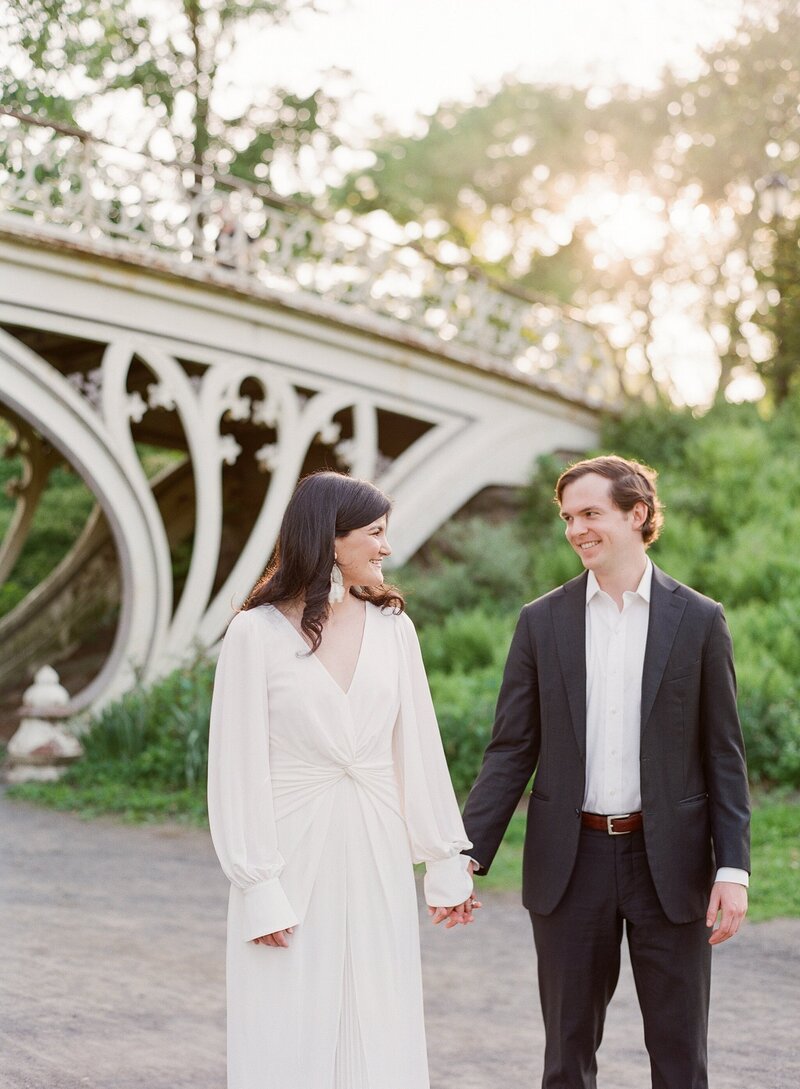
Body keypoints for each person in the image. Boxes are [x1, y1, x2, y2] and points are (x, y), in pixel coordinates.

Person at [461, 454, 750, 1089]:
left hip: (671, 866)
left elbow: (724, 754)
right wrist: (466, 854)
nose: (576, 530)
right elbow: (511, 748)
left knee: (680, 1058)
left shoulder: (700, 620)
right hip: (571, 863)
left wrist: (732, 867)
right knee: (566, 1058)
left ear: (637, 514)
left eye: (590, 513)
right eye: (568, 517)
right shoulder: (541, 622)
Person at [207, 470, 477, 1089]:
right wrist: (258, 886)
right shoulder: (254, 634)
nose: (386, 547)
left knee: (380, 1009)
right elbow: (236, 768)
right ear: (331, 538)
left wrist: (443, 861)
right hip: (290, 851)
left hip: (376, 845)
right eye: (375, 533)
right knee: (286, 1012)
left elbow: (418, 749)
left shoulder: (394, 628)